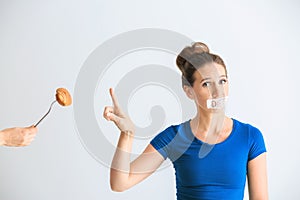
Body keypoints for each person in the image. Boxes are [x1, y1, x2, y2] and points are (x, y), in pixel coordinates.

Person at [103, 42, 268, 200]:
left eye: (222, 81)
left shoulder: (250, 136)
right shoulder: (175, 137)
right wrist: (127, 134)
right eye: (206, 84)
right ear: (189, 92)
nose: (218, 91)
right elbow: (120, 183)